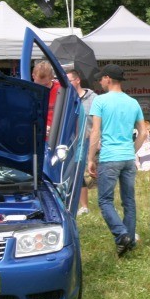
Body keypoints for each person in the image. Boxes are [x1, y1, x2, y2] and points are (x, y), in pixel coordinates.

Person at [87, 64, 148, 257]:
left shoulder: (99, 101)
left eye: (101, 78)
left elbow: (95, 132)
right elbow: (144, 132)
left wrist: (90, 159)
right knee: (128, 201)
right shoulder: (133, 102)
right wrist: (131, 150)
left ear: (108, 78)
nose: (100, 82)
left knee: (105, 200)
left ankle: (122, 235)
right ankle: (129, 241)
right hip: (128, 158)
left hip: (110, 157)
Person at [66, 68, 97, 216]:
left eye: (69, 81)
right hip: (71, 142)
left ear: (77, 80)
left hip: (89, 141)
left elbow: (99, 122)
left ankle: (88, 205)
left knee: (85, 173)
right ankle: (78, 204)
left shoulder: (93, 99)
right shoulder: (66, 98)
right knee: (74, 173)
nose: (67, 84)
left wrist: (97, 138)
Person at [31, 60, 61, 138]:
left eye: (45, 85)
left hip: (55, 137)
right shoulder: (28, 91)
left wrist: (53, 129)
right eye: (38, 85)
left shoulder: (61, 90)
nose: (42, 88)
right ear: (33, 76)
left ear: (52, 77)